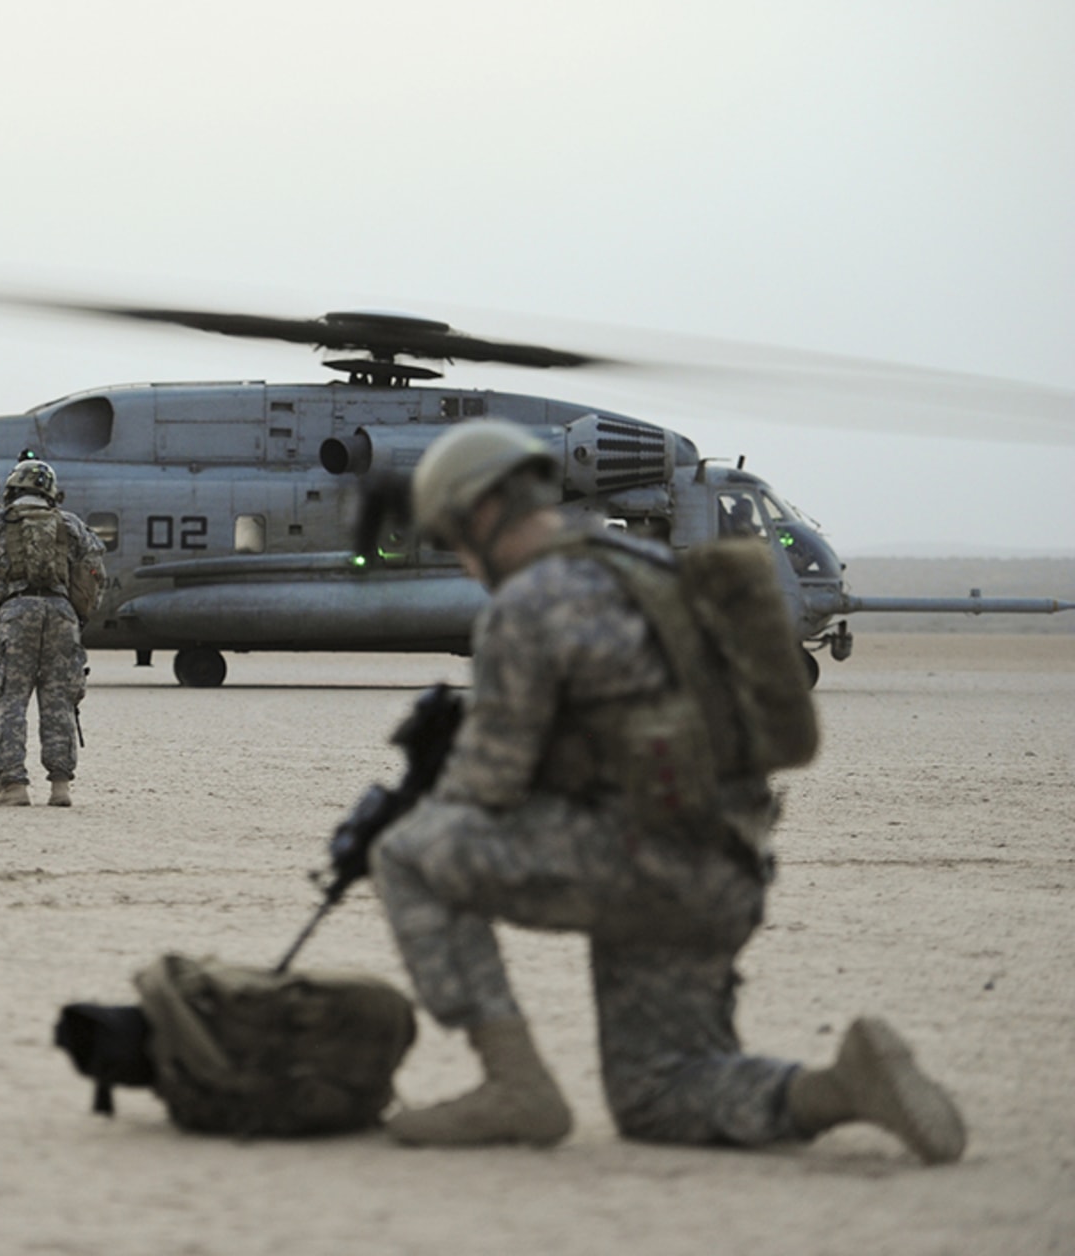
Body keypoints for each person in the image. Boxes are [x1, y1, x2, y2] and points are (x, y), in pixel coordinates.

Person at [366, 419, 966, 1163]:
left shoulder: (530, 603)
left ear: (483, 515)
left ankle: (514, 1086)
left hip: (639, 863)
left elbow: (484, 788)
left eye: (454, 538)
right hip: (726, 868)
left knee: (409, 855)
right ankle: (841, 1087)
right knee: (658, 1092)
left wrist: (410, 805)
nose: (462, 561)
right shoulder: (647, 569)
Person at [0, 458, 105, 808]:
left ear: (14, 488)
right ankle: (60, 787)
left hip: (17, 610)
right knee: (59, 699)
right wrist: (80, 613)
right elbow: (93, 569)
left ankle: (14, 785)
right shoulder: (69, 523)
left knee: (11, 698)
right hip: (62, 614)